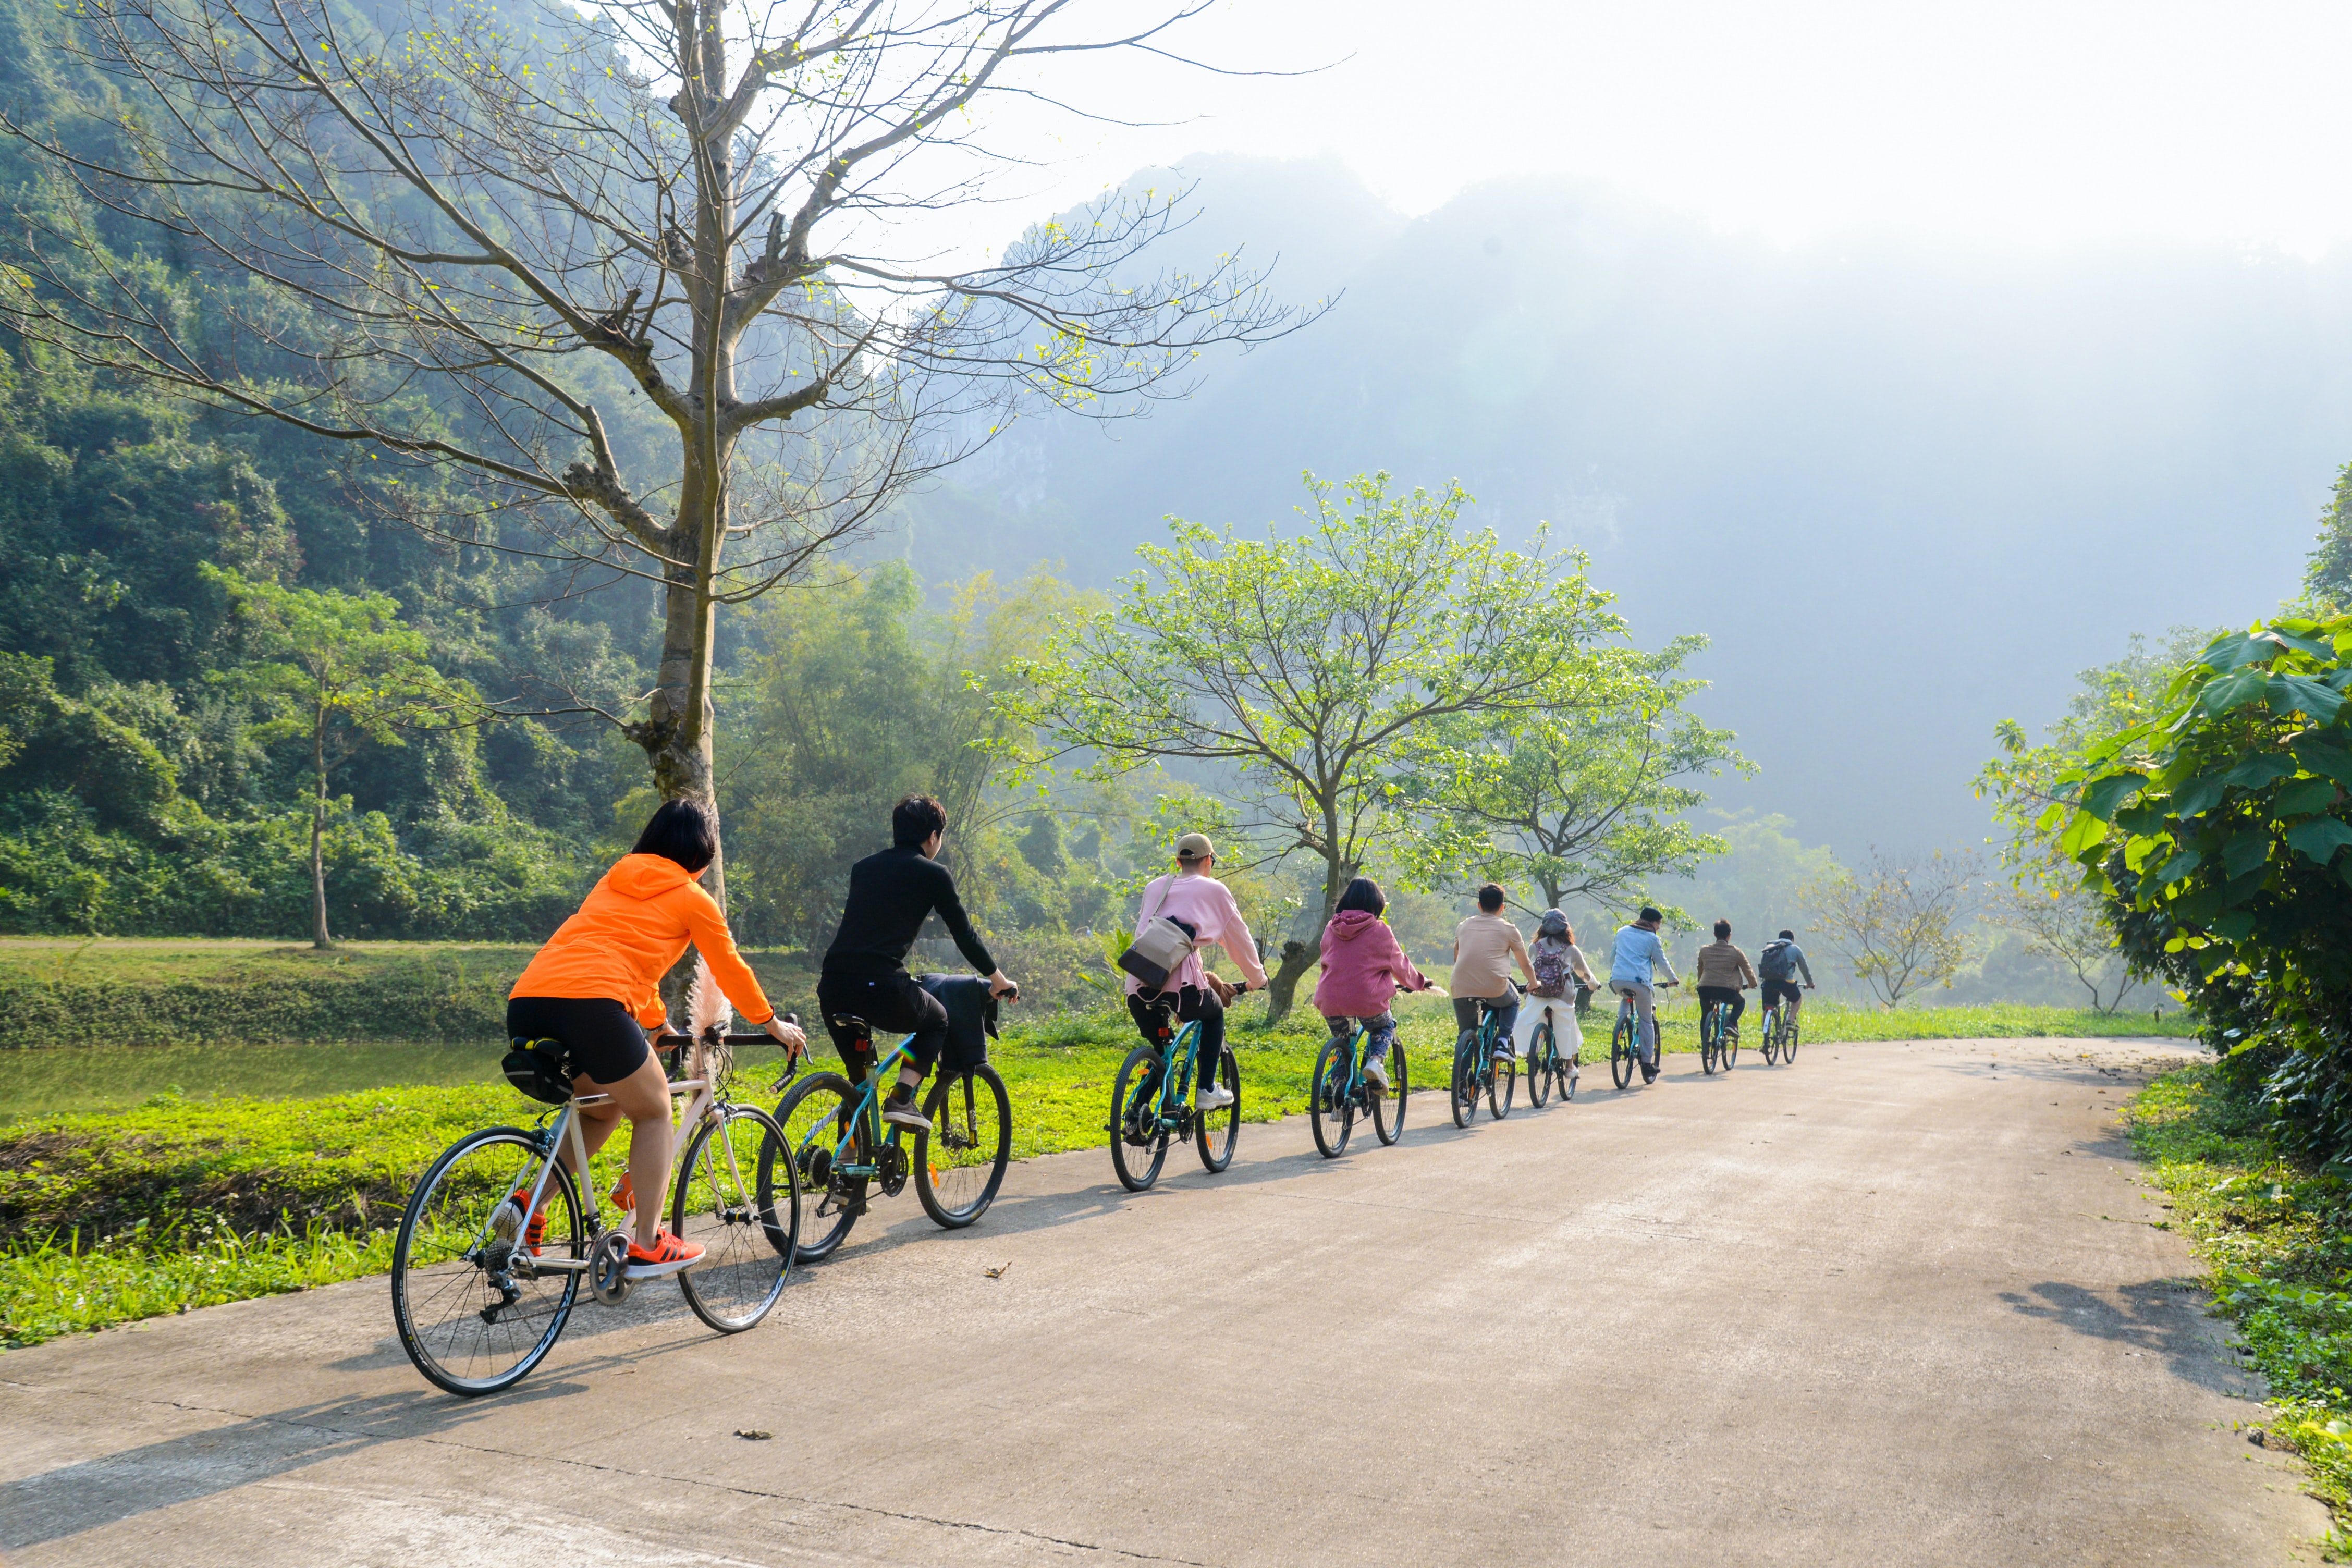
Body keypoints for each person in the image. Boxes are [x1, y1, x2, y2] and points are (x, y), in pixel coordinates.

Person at [507, 799, 806, 1278]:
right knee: (655, 1109)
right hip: (593, 1007)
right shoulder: (692, 897)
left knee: (604, 1106)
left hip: (529, 1002)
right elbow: (729, 966)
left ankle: (525, 1207)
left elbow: (627, 963)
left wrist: (658, 1026)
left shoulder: (614, 879)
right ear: (703, 858)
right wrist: (771, 1023)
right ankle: (648, 1241)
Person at [819, 794, 1019, 1134]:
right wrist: (998, 980)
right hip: (881, 986)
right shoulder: (933, 874)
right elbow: (965, 935)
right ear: (933, 837)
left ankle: (845, 1169)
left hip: (834, 987)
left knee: (860, 1087)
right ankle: (901, 1097)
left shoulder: (863, 868)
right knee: (937, 1020)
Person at [1123, 831, 1268, 1110]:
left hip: (1139, 982)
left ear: (1178, 862)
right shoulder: (1214, 890)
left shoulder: (1156, 887)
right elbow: (1240, 940)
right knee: (1214, 1015)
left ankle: (1138, 1113)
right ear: (1209, 861)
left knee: (1161, 1054)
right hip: (1183, 986)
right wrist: (1257, 978)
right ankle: (1205, 1089)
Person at [1312, 876, 1432, 1092]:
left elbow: (1326, 960)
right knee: (1385, 1026)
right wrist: (1419, 983)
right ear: (1377, 904)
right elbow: (1401, 966)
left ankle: (1339, 1099)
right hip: (1367, 999)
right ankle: (1376, 1062)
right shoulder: (1380, 931)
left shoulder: (1332, 927)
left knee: (1342, 1043)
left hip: (1331, 999)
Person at [1451, 883, 1534, 1058]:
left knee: (1465, 1033)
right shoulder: (1509, 929)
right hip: (1495, 988)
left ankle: (1462, 1082)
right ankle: (1503, 1042)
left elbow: (1457, 957)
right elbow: (1525, 964)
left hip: (1460, 987)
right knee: (1513, 1002)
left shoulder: (1463, 926)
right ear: (1502, 908)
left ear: (1479, 906)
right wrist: (1533, 983)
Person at [1513, 908, 1597, 1065]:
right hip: (1562, 998)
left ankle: (1532, 1053)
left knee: (1535, 1018)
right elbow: (1584, 972)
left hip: (1537, 995)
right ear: (1566, 928)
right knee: (1567, 1026)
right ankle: (1570, 1066)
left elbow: (1529, 968)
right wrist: (1593, 985)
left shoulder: (1534, 947)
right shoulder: (1571, 949)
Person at [1608, 905, 1681, 1082]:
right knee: (1646, 1020)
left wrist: (1618, 973)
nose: (1659, 928)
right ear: (1652, 922)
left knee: (1626, 998)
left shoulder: (1622, 931)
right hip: (1640, 983)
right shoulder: (1651, 938)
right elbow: (1662, 963)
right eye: (1659, 924)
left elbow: (1612, 957)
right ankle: (1648, 1064)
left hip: (1617, 980)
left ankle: (1621, 1026)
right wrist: (1673, 979)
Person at [1692, 918, 1758, 1041]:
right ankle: (1731, 1024)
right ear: (1730, 935)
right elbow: (1747, 970)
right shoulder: (1736, 952)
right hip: (1727, 991)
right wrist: (1753, 984)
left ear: (1715, 934)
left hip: (1705, 989)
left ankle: (1705, 1045)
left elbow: (1700, 971)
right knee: (1740, 1002)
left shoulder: (1704, 950)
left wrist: (1701, 983)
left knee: (1705, 1014)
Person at [1757, 927, 1818, 1024]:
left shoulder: (1769, 948)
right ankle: (1790, 1020)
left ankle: (1766, 1031)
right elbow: (1804, 969)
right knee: (1797, 999)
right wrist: (1810, 983)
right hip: (1786, 983)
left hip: (1768, 983)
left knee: (1768, 1007)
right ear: (1792, 940)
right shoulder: (1795, 949)